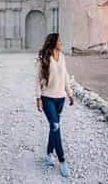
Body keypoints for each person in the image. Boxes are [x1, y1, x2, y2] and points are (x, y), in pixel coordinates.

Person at [35, 33, 75, 178]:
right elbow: (37, 79)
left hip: (60, 98)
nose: (61, 43)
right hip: (47, 98)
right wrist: (38, 98)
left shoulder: (62, 57)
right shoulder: (43, 59)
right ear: (53, 42)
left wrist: (69, 93)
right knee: (55, 126)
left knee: (54, 127)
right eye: (59, 41)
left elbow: (65, 76)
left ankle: (49, 153)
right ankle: (62, 160)